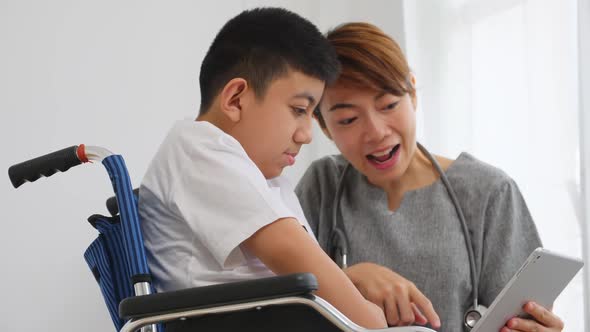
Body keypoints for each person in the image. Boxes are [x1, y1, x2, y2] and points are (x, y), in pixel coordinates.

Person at [296, 22, 565, 332]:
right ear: (324, 126)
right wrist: (348, 279)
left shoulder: (489, 192)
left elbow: (525, 317)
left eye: (389, 105)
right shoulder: (322, 186)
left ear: (413, 94)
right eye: (348, 119)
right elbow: (280, 302)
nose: (376, 132)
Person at [138, 8, 389, 329]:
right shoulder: (197, 147)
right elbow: (288, 249)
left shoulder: (266, 179)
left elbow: (310, 271)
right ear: (236, 99)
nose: (306, 134)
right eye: (299, 110)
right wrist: (370, 321)